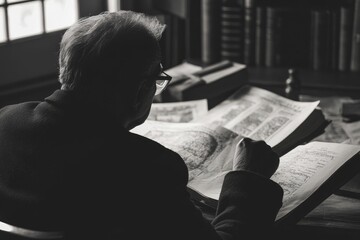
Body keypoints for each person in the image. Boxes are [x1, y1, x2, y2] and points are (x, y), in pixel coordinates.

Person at [0, 10, 283, 240]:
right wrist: (248, 178)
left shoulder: (5, 122)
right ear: (139, 92)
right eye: (157, 81)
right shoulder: (148, 168)